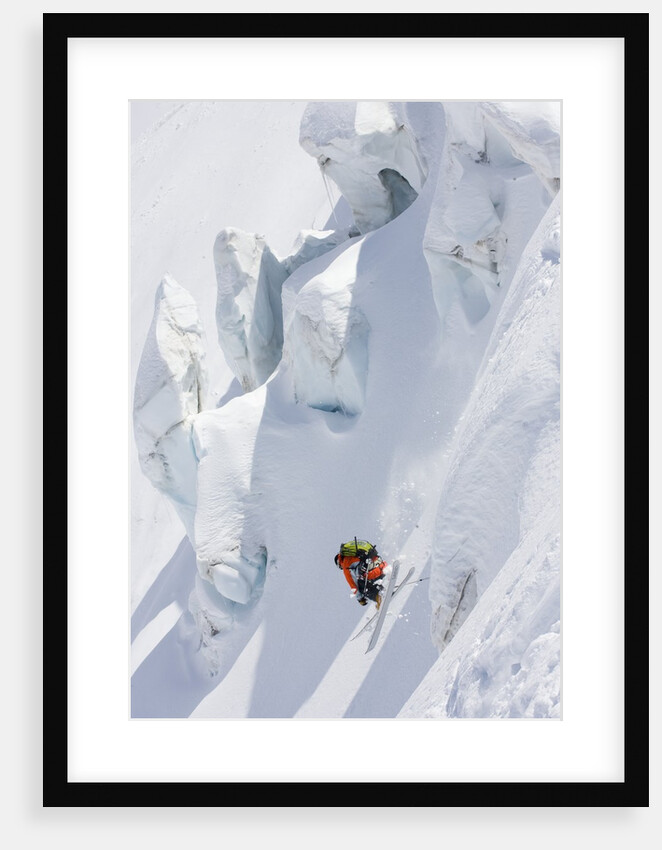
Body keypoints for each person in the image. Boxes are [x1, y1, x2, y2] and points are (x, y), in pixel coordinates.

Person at [334, 538, 388, 608]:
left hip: (373, 573)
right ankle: (384, 590)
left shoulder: (345, 563)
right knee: (365, 579)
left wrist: (360, 599)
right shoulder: (356, 554)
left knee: (363, 587)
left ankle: (379, 597)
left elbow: (353, 585)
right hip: (382, 567)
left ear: (339, 563)